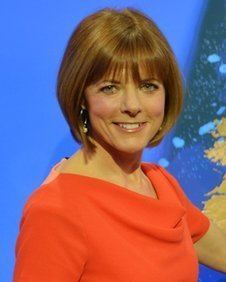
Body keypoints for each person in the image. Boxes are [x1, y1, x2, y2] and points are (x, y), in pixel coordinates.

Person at [13, 7, 226, 282]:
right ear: (81, 98)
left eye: (148, 86)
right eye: (110, 88)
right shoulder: (55, 211)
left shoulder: (160, 184)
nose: (132, 106)